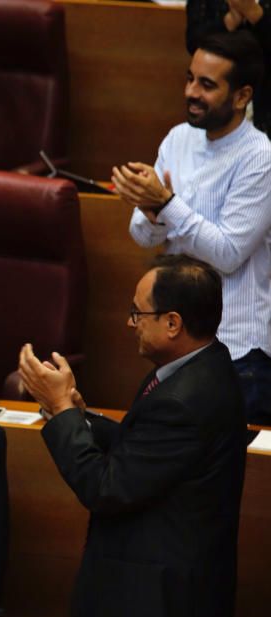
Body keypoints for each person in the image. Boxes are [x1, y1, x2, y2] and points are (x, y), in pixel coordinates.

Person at [18, 254, 248, 617]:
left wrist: (63, 413)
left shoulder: (184, 399)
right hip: (168, 600)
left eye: (138, 313)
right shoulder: (200, 368)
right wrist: (72, 412)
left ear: (173, 323)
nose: (130, 323)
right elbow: (140, 443)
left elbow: (104, 487)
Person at [115, 30, 271, 426]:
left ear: (242, 96)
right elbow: (142, 234)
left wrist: (165, 203)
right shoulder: (178, 139)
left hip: (237, 353)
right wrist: (151, 210)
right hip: (174, 348)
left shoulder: (260, 157)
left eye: (206, 84)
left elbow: (228, 254)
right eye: (189, 79)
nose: (191, 92)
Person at [186, 0, 271, 133]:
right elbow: (194, 42)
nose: (189, 92)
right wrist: (231, 20)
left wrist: (255, 14)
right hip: (216, 104)